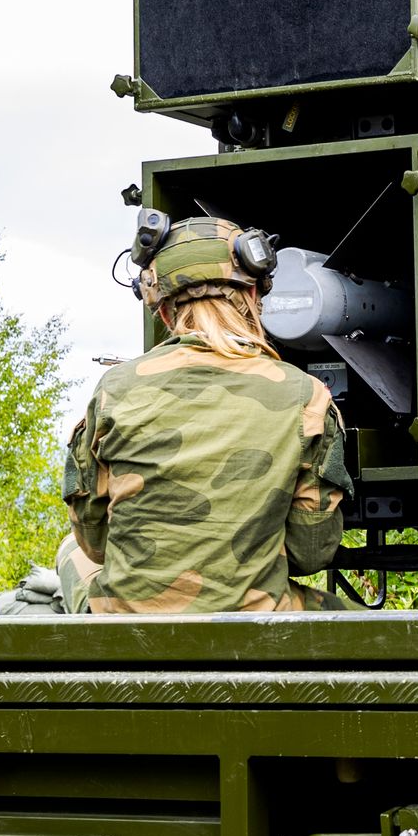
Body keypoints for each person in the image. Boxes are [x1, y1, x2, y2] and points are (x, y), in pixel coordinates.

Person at [62, 213, 354, 612]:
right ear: (253, 299)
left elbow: (94, 544)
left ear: (164, 312)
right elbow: (312, 551)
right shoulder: (307, 397)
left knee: (70, 554)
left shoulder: (114, 390)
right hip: (255, 629)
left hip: (129, 636)